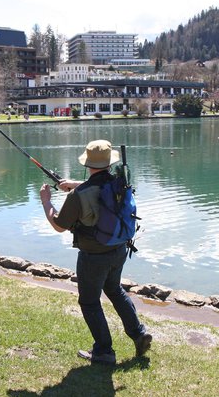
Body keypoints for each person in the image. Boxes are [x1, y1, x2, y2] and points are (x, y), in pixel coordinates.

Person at [39, 140, 152, 365]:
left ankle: (103, 352)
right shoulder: (119, 183)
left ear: (88, 163)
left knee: (90, 302)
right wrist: (72, 184)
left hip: (93, 256)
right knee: (114, 289)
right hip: (119, 249)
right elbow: (98, 187)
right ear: (110, 163)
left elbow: (59, 225)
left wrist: (46, 202)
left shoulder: (78, 196)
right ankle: (139, 334)